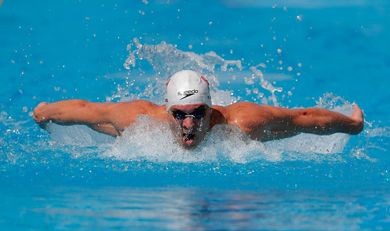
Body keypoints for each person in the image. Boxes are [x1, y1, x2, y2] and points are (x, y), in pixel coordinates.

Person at [33, 70, 364, 149]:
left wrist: (352, 125)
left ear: (211, 109)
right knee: (101, 123)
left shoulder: (241, 121)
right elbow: (84, 109)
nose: (188, 124)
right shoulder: (138, 119)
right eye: (179, 114)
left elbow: (302, 119)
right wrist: (44, 112)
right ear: (166, 110)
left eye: (198, 113)